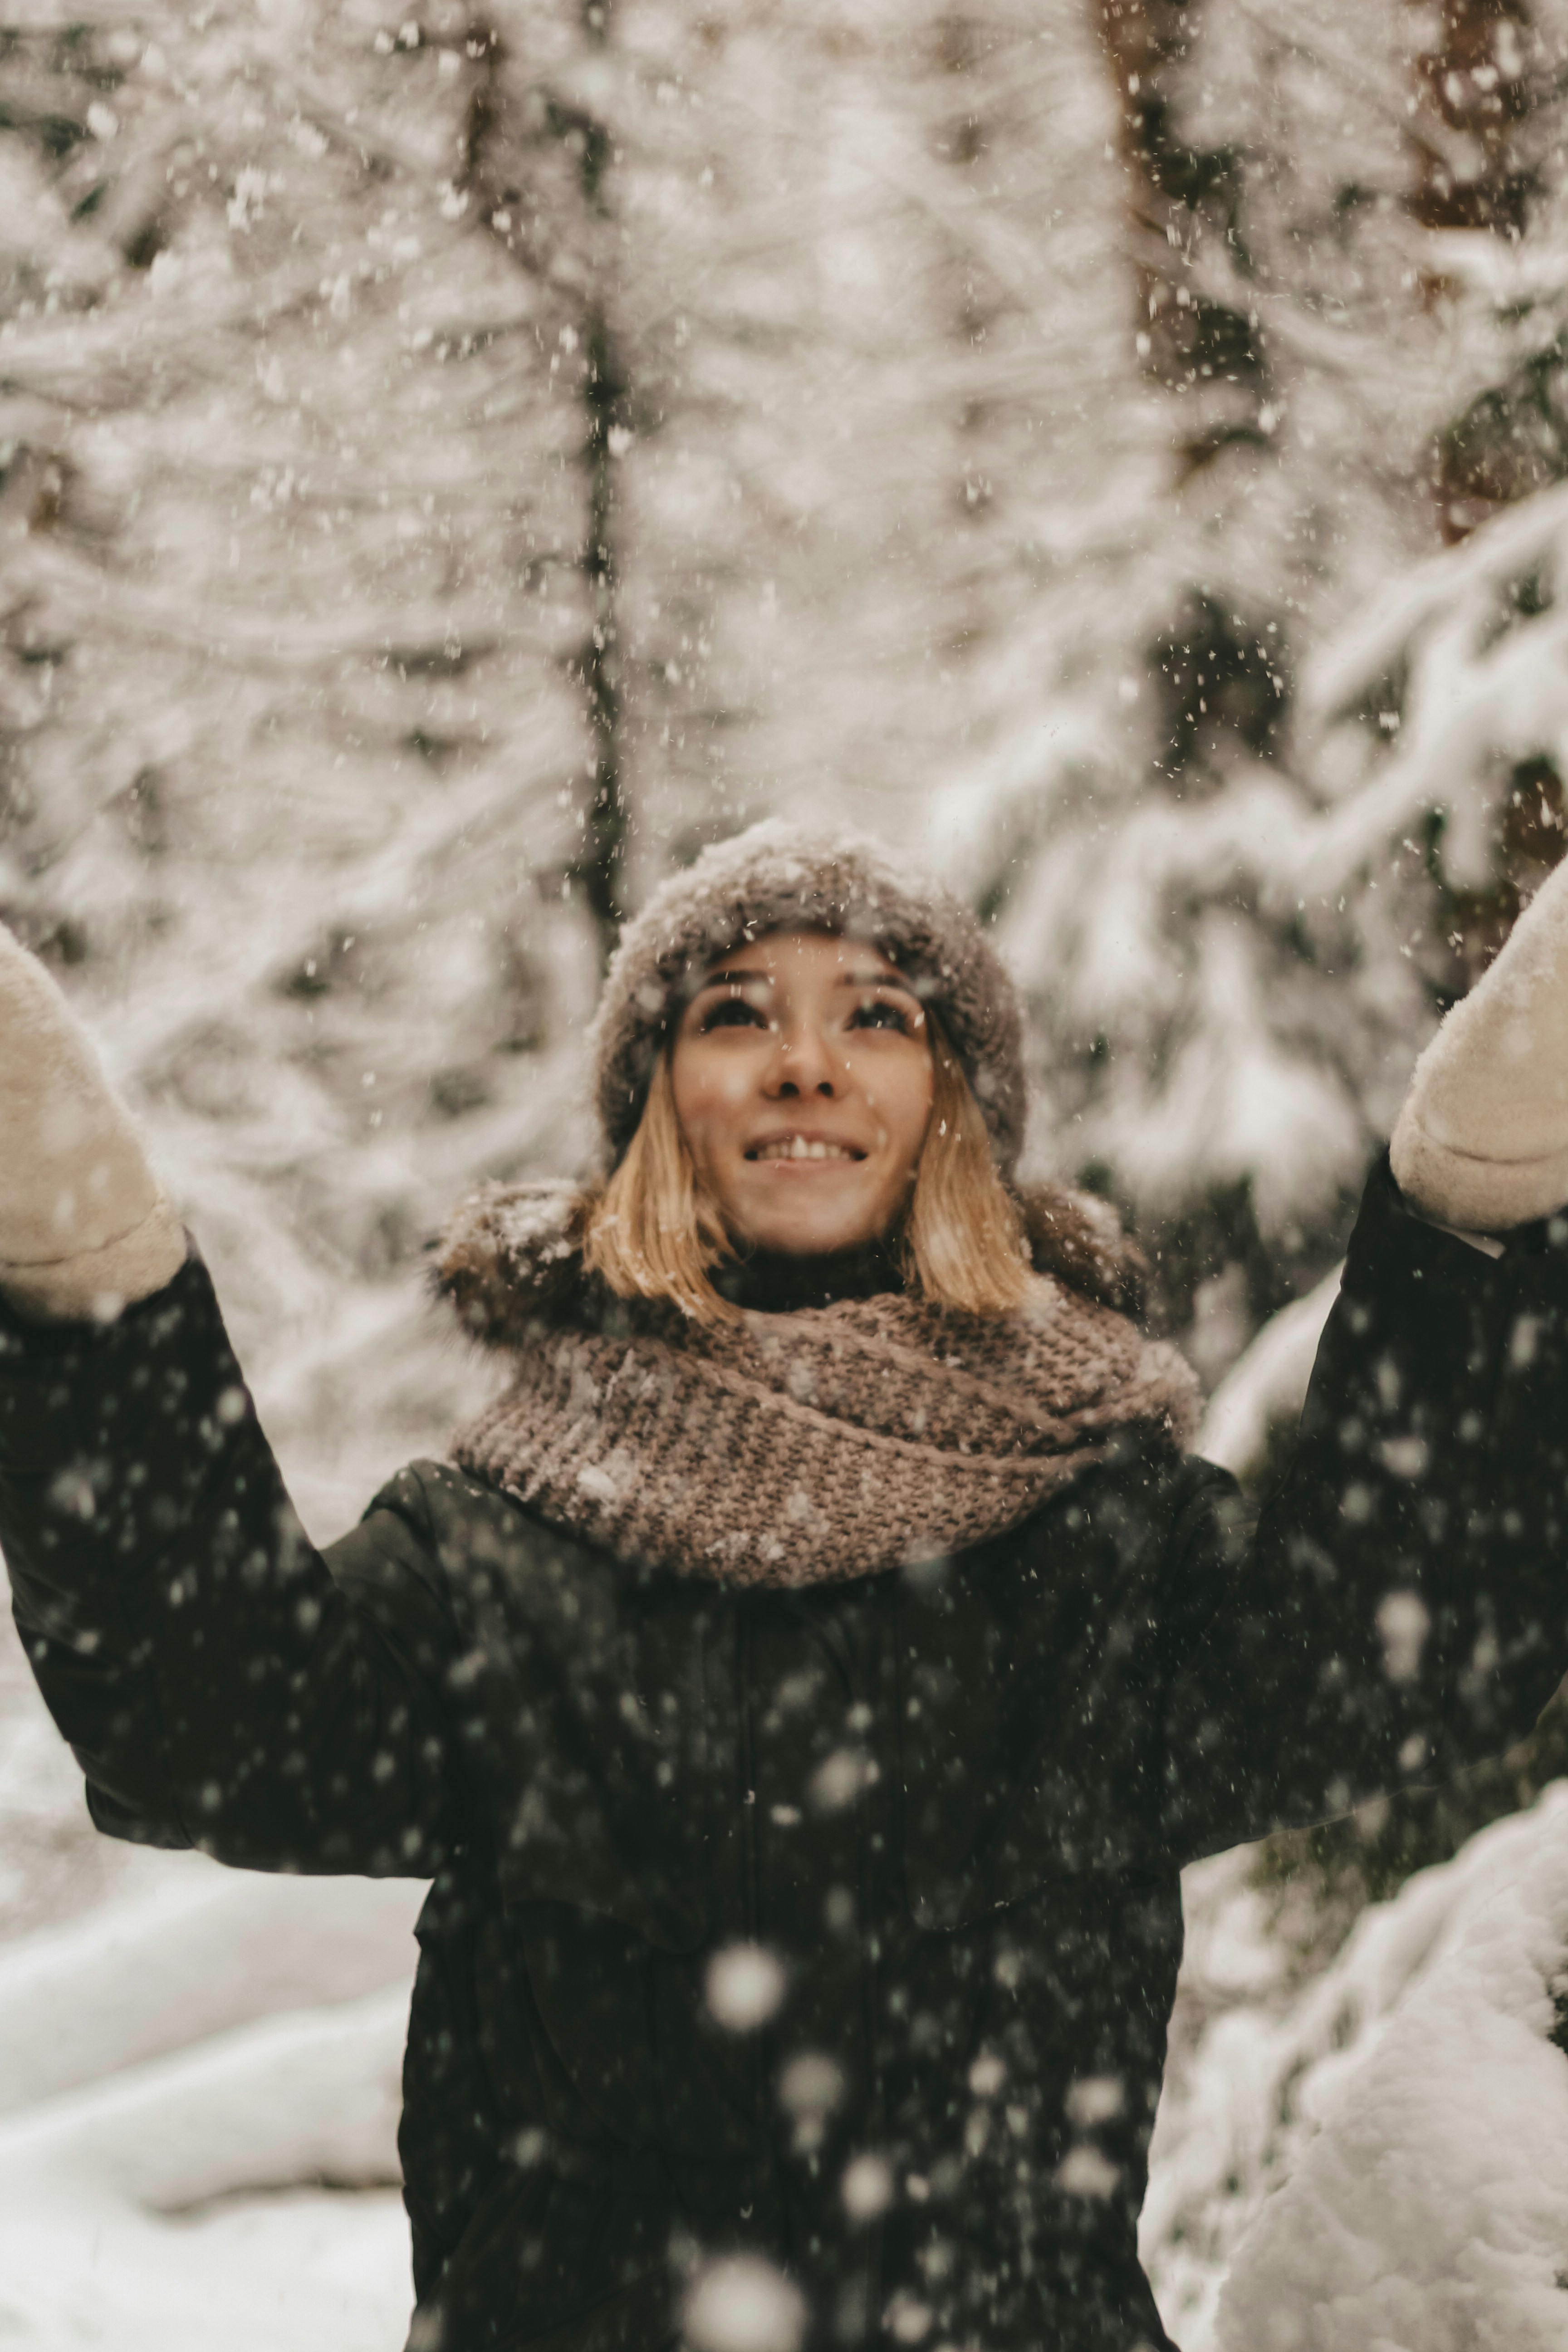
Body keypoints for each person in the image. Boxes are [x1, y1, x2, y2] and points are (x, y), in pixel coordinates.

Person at [2, 817, 1567, 2352]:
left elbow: (1406, 1637)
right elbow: (212, 1723)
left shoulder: (1106, 1556)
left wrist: (1477, 1206)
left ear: (951, 1109)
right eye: (736, 1013)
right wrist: (90, 1284)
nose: (804, 1062)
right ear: (658, 1106)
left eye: (876, 1018)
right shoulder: (494, 1561)